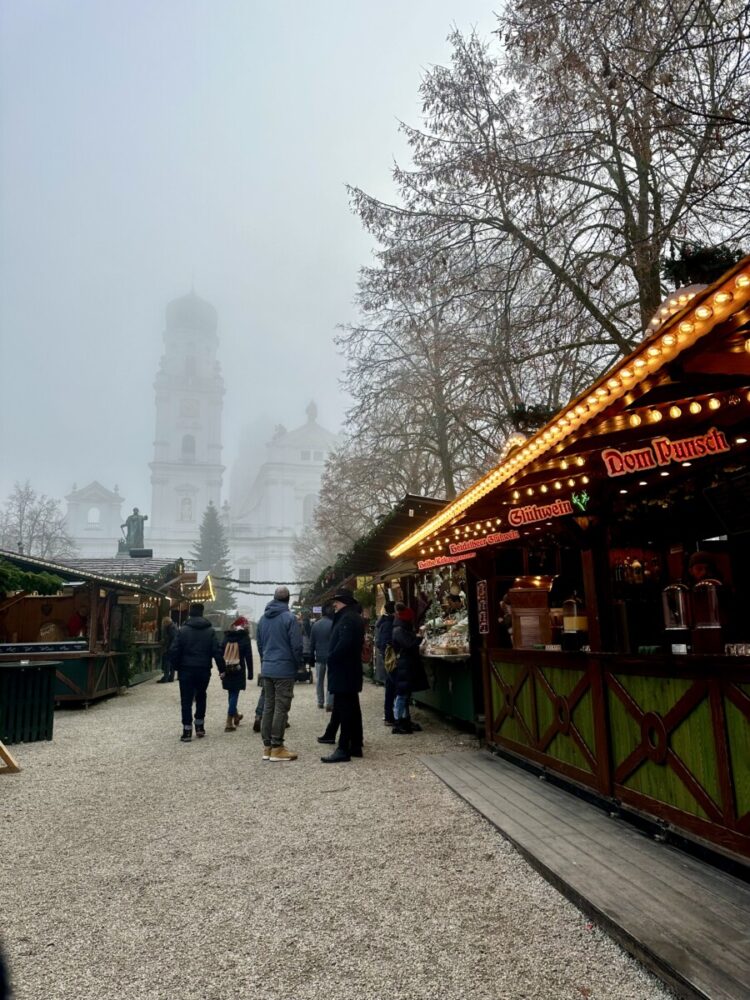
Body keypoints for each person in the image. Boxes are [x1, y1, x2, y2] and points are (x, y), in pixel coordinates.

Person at [256, 586, 302, 762]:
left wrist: (265, 660)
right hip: (284, 669)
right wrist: (297, 664)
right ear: (288, 600)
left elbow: (260, 645)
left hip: (268, 667)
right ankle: (277, 747)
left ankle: (267, 747)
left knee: (268, 706)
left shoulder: (262, 619)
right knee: (281, 708)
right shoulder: (289, 618)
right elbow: (296, 646)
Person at [169, 602, 225, 742]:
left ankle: (187, 730)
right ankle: (199, 726)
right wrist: (222, 669)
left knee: (186, 699)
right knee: (201, 696)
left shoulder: (183, 630)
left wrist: (177, 667)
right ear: (202, 613)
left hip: (186, 669)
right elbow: (216, 652)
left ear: (190, 613)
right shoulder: (210, 631)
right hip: (203, 669)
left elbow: (174, 650)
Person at [321, 587, 365, 763]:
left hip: (344, 671)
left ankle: (343, 749)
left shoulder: (347, 618)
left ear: (344, 603)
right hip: (350, 671)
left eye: (336, 602)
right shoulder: (353, 617)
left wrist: (332, 658)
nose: (334, 605)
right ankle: (355, 745)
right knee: (353, 709)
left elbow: (344, 643)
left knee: (346, 711)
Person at [391, 607, 429, 734]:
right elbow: (409, 645)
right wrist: (418, 637)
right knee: (402, 695)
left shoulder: (400, 628)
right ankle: (398, 722)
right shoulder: (400, 630)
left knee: (405, 694)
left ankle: (404, 719)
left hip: (406, 665)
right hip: (404, 665)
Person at [219, 616, 254, 731]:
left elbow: (220, 652)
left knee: (231, 692)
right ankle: (229, 721)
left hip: (227, 667)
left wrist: (221, 669)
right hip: (239, 668)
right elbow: (248, 656)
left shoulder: (226, 636)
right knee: (234, 694)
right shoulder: (244, 638)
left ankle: (236, 715)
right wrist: (250, 672)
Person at [374, 600, 396, 723]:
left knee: (390, 687)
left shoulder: (382, 622)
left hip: (386, 659)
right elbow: (385, 642)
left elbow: (379, 643)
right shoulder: (389, 624)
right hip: (391, 660)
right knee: (392, 687)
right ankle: (391, 715)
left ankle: (389, 714)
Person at [310, 607, 334, 710]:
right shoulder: (333, 624)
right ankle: (329, 703)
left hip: (319, 657)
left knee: (319, 681)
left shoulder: (315, 625)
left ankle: (320, 702)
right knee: (331, 681)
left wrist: (311, 657)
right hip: (331, 657)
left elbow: (312, 643)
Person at [157, 615, 178, 682]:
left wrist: (169, 648)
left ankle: (166, 678)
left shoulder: (171, 628)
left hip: (170, 648)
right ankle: (170, 677)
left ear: (167, 622)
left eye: (163, 623)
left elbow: (172, 639)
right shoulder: (172, 627)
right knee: (171, 664)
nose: (163, 624)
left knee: (167, 663)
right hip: (172, 648)